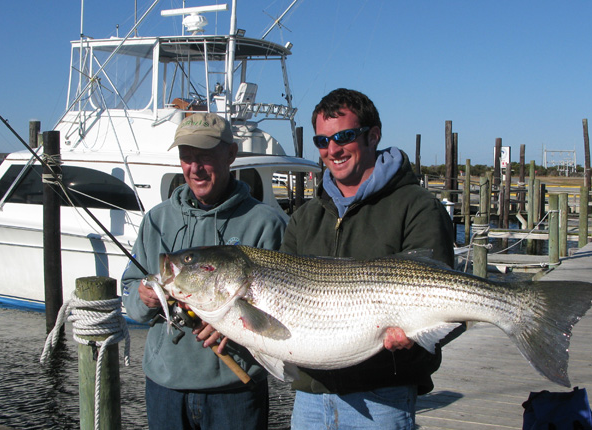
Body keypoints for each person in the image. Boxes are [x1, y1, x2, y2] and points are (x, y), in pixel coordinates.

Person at [279, 88, 455, 429]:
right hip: (310, 397)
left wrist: (414, 340)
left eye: (344, 137)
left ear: (373, 135)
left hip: (383, 397)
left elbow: (445, 295)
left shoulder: (416, 206)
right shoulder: (304, 217)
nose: (332, 150)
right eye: (321, 141)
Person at [121, 113, 286, 430]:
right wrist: (143, 298)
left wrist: (234, 328)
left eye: (205, 156)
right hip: (165, 388)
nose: (194, 168)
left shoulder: (265, 223)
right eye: (186, 157)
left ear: (231, 154)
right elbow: (129, 294)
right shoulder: (156, 221)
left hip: (235, 391)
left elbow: (284, 312)